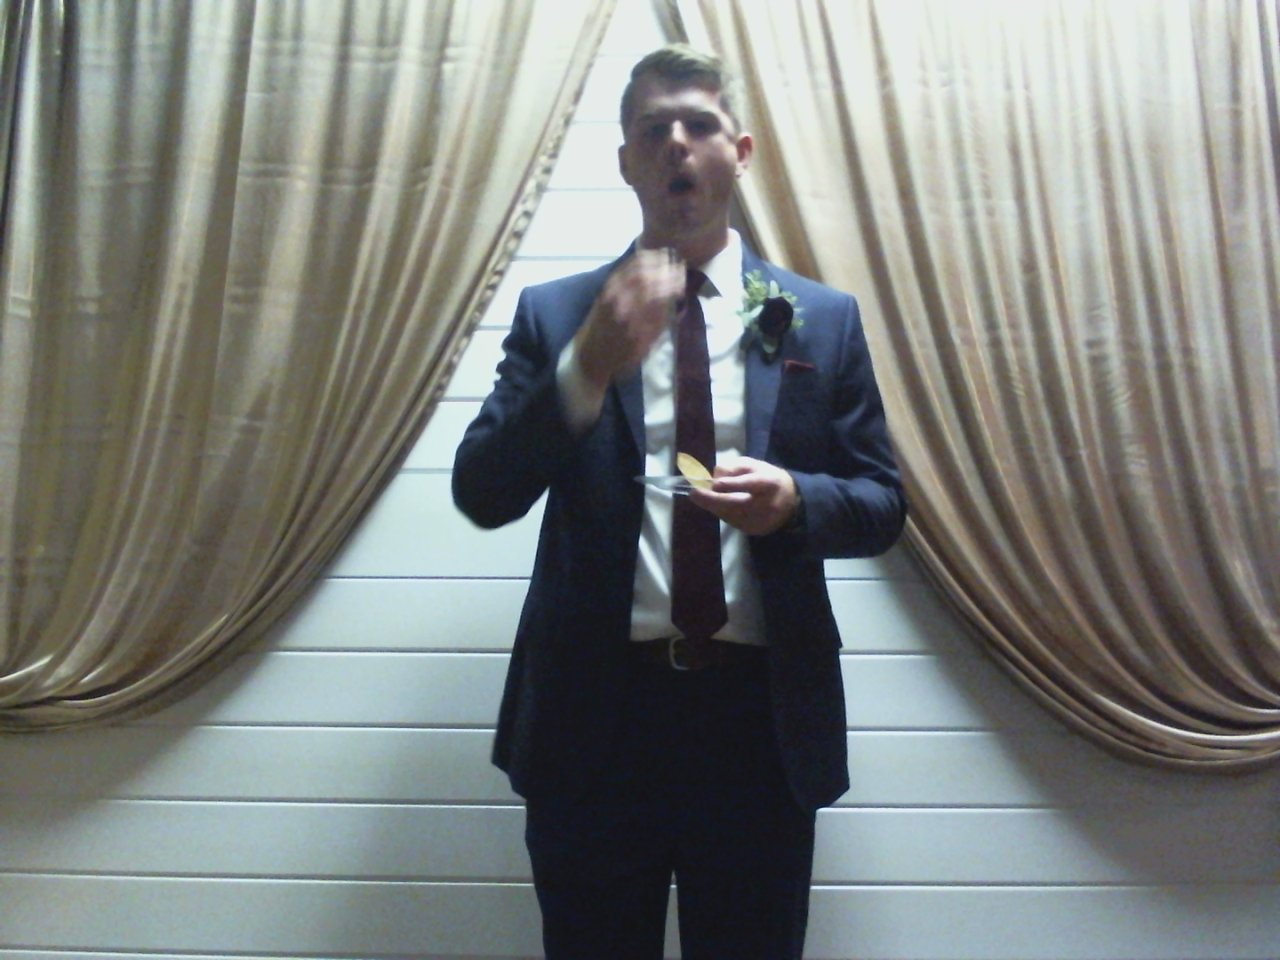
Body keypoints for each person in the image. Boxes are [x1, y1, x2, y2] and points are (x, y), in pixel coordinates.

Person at [452, 43, 906, 960]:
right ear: (625, 159)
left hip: (758, 727)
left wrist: (796, 500)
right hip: (595, 722)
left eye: (699, 125)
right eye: (653, 129)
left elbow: (881, 503)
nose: (676, 144)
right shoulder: (558, 315)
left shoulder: (822, 319)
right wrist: (585, 368)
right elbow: (483, 492)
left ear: (740, 152)